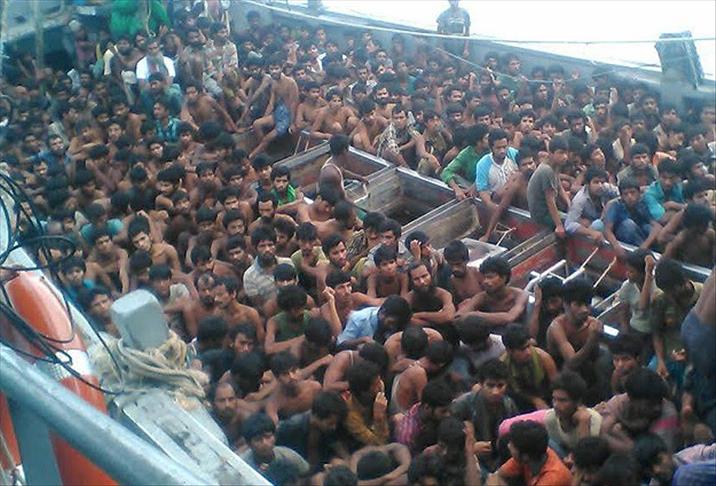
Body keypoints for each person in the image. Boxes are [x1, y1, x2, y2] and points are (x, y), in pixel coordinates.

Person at [451, 359, 518, 471]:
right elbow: (448, 440)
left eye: (500, 386)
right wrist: (469, 449)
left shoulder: (509, 405)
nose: (495, 391)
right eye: (490, 385)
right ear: (481, 384)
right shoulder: (463, 404)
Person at [600, 368, 680, 454]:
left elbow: (657, 454)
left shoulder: (667, 413)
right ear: (632, 400)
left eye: (659, 402)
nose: (657, 408)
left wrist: (625, 441)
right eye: (650, 404)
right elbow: (600, 432)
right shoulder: (619, 403)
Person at [456, 256, 528, 333]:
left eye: (490, 277)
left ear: (504, 278)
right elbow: (457, 318)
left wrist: (475, 315)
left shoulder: (519, 295)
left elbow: (510, 317)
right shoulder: (482, 297)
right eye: (484, 277)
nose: (485, 281)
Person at [488, 420, 572, 486]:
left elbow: (494, 480)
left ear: (525, 456)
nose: (509, 446)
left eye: (513, 445)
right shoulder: (529, 455)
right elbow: (499, 474)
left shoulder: (553, 478)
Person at [545, 371, 603, 456]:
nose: (556, 405)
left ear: (577, 402)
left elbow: (588, 456)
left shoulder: (594, 420)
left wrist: (583, 423)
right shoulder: (551, 418)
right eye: (554, 399)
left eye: (562, 400)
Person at [501, 324, 558, 412]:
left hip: (547, 396)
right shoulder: (503, 364)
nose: (528, 352)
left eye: (528, 346)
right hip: (521, 400)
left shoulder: (544, 358)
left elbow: (556, 385)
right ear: (509, 351)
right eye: (522, 349)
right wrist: (535, 400)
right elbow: (510, 390)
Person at [240, 412, 310, 482]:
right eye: (258, 439)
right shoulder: (242, 465)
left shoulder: (288, 457)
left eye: (268, 437)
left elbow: (308, 473)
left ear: (275, 437)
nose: (265, 443)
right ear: (249, 444)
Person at [604, 176, 663, 255]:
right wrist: (616, 246)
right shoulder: (616, 205)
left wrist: (644, 245)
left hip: (639, 237)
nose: (629, 197)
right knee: (628, 225)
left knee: (649, 228)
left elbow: (657, 226)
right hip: (622, 237)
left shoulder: (641, 205)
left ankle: (648, 252)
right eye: (625, 194)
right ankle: (644, 254)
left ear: (639, 193)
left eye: (632, 192)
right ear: (621, 196)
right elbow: (607, 230)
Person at [527, 136, 570, 235]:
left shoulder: (555, 165)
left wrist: (569, 203)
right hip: (542, 214)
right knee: (571, 223)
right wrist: (559, 225)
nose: (565, 157)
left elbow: (559, 186)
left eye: (566, 153)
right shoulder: (546, 170)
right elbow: (550, 200)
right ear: (551, 153)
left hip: (549, 208)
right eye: (561, 153)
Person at [564, 166, 618, 244]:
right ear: (588, 184)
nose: (600, 185)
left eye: (602, 182)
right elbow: (569, 225)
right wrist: (591, 232)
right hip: (596, 226)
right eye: (596, 182)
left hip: (611, 222)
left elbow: (622, 193)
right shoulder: (580, 199)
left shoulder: (605, 187)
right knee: (597, 225)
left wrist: (611, 204)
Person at [343, 362, 390, 448]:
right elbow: (379, 444)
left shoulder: (379, 389)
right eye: (376, 384)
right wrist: (379, 418)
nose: (380, 386)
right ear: (363, 392)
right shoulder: (350, 416)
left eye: (379, 381)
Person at [337, 295, 412, 348]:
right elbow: (340, 344)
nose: (393, 327)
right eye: (391, 323)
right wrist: (361, 340)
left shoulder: (397, 324)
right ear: (382, 313)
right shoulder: (359, 318)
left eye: (396, 325)